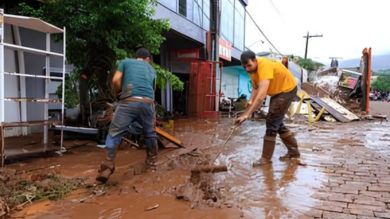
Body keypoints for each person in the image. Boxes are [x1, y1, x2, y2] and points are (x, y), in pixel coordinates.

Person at [96, 48, 158, 183]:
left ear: (136, 57)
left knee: (114, 133)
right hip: (148, 103)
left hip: (128, 101)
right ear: (148, 59)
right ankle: (151, 165)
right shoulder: (152, 69)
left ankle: (107, 167)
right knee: (150, 134)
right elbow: (153, 90)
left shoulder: (125, 62)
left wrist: (118, 94)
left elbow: (116, 80)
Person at [236, 50, 300, 165]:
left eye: (249, 65)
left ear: (255, 61)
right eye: (244, 66)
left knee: (271, 122)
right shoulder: (252, 70)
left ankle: (266, 159)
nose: (247, 69)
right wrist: (250, 102)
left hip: (287, 90)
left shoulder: (264, 66)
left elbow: (261, 96)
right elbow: (255, 89)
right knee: (277, 123)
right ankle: (294, 153)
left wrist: (247, 114)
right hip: (276, 93)